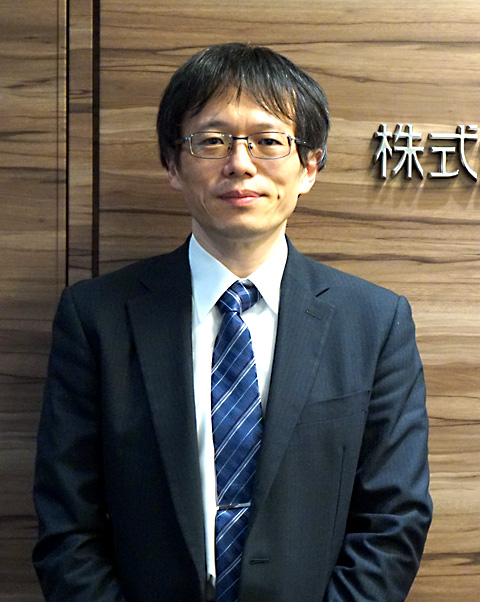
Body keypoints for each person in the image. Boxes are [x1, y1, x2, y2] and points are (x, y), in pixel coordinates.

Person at [32, 43, 432, 602]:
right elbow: (68, 524)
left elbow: (393, 519)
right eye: (212, 140)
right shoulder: (96, 317)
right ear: (173, 164)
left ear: (309, 166)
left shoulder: (375, 322)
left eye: (268, 141)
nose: (240, 163)